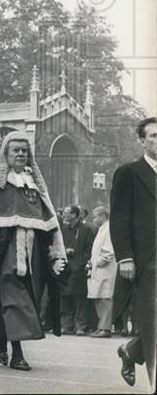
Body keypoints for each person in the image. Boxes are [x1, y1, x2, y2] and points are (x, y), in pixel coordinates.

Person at [0, 131, 68, 372]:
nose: (20, 154)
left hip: (33, 252)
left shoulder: (35, 184)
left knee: (16, 299)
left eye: (24, 150)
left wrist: (55, 254)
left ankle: (0, 337)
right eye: (15, 150)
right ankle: (17, 353)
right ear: (5, 154)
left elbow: (49, 221)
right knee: (14, 298)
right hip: (3, 249)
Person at [111, 116, 156, 389]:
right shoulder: (128, 173)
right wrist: (125, 257)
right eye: (153, 136)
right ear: (142, 141)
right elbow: (119, 218)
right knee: (152, 323)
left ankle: (130, 352)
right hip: (147, 260)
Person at [60, 204, 96, 335]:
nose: (64, 215)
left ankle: (80, 325)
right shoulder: (63, 229)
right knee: (65, 297)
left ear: (74, 215)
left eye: (66, 213)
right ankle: (66, 325)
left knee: (80, 298)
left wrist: (80, 260)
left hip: (78, 268)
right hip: (64, 267)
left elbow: (89, 249)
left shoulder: (86, 229)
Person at [88, 205, 117, 337]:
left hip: (105, 268)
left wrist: (100, 261)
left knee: (105, 297)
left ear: (102, 216)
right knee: (99, 298)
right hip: (98, 269)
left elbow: (109, 249)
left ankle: (105, 328)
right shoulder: (101, 229)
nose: (93, 219)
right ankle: (101, 326)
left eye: (95, 216)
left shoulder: (109, 229)